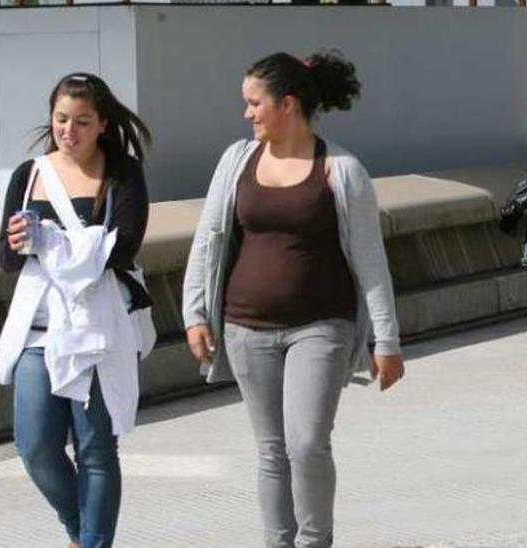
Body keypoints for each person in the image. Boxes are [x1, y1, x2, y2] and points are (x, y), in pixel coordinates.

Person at [181, 51, 404, 548]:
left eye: (253, 103)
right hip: (245, 327)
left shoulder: (341, 169)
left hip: (321, 326)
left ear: (286, 104)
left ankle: (314, 541)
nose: (247, 114)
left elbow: (371, 259)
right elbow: (209, 238)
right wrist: (195, 313)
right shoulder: (236, 160)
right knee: (272, 450)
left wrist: (386, 340)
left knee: (306, 443)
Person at [0, 73, 152, 548]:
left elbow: (124, 248)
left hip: (97, 329)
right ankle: (81, 533)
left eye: (82, 121)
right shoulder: (30, 175)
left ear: (102, 123)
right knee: (35, 446)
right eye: (61, 119)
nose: (69, 130)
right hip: (38, 332)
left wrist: (52, 242)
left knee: (96, 450)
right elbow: (5, 257)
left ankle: (94, 543)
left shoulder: (122, 172)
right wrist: (22, 242)